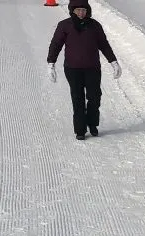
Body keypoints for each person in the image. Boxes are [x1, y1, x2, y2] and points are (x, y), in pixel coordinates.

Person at [47, 0, 121, 140]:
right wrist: (51, 63)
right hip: (72, 69)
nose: (81, 13)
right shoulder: (65, 25)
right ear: (72, 10)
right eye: (78, 10)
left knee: (94, 97)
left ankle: (92, 124)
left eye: (84, 10)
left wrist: (113, 62)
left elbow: (104, 45)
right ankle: (80, 130)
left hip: (92, 68)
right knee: (78, 98)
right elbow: (56, 44)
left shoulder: (94, 26)